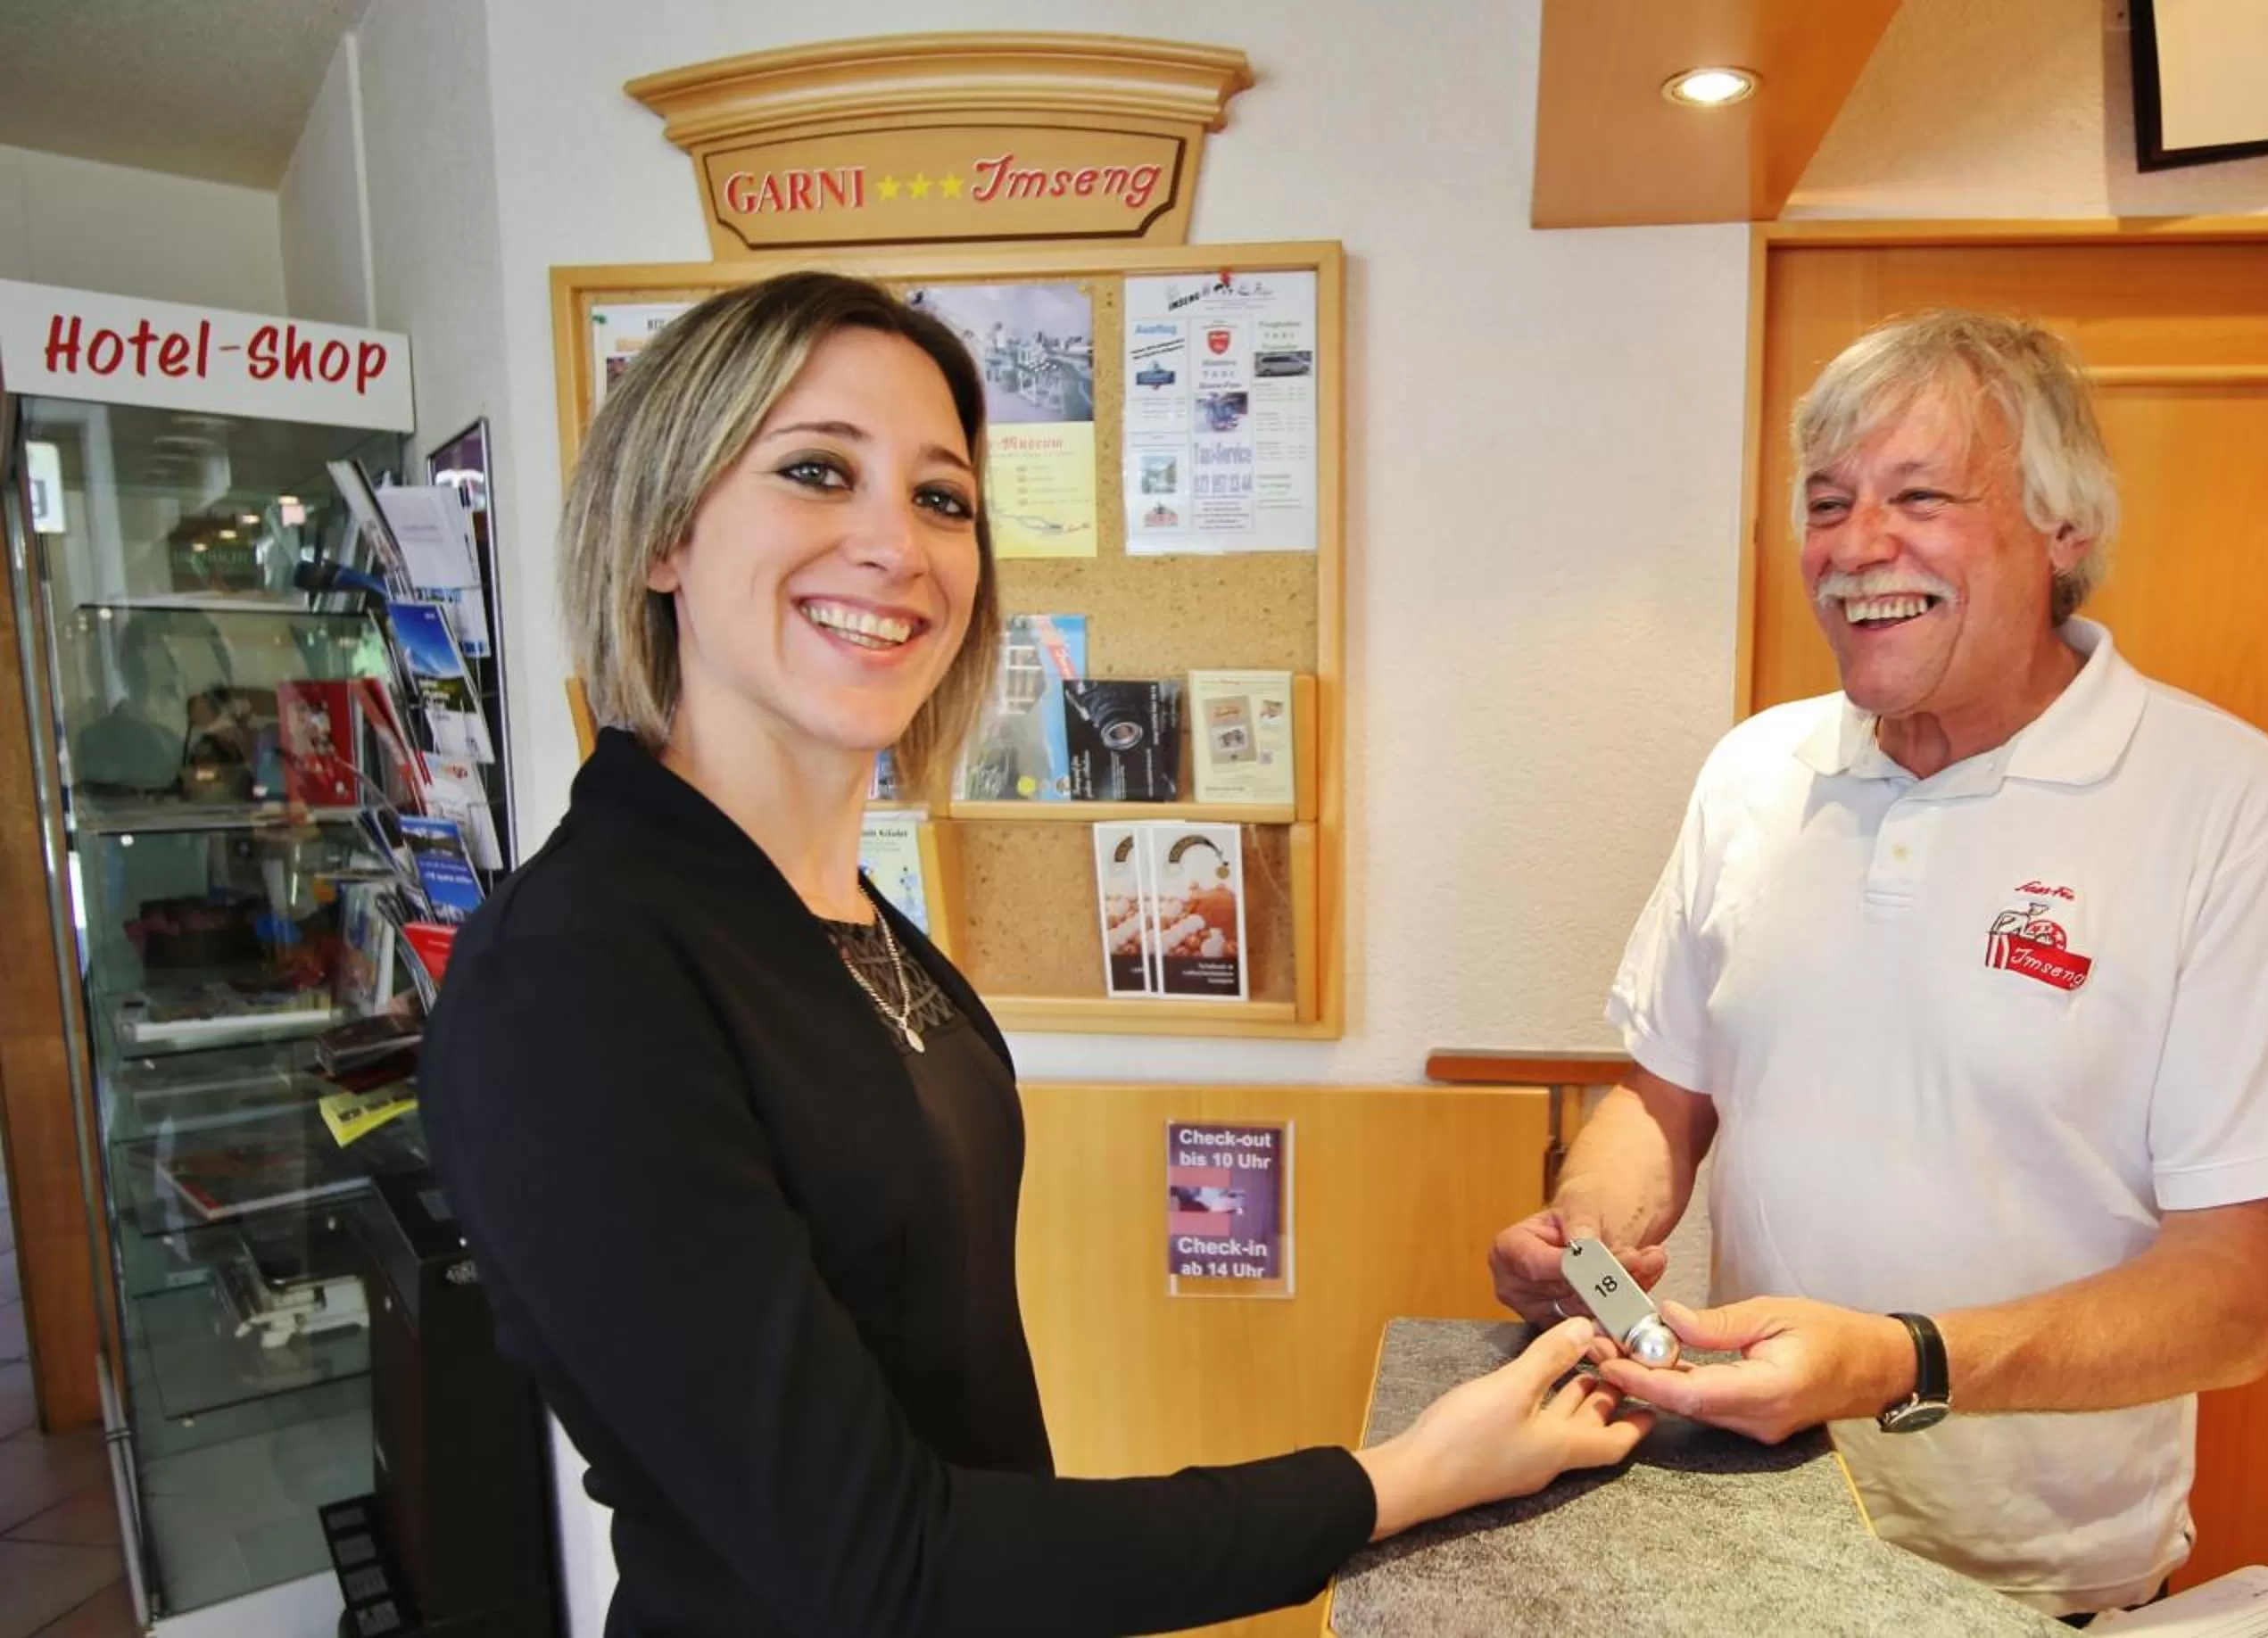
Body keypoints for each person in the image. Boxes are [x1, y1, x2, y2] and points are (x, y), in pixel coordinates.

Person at [422, 271, 1650, 1638]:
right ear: (662, 535)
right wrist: (1395, 1483)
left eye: (942, 497)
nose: (897, 545)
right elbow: (876, 1561)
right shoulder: (577, 974)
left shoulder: (844, 920)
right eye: (819, 471)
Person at [1489, 310, 2268, 1623]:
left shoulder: (2229, 806)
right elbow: (1667, 1089)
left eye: (1920, 497)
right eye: (1829, 501)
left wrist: (1898, 1360)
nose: (1857, 548)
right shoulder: (1756, 772)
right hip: (1746, 1514)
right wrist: (1594, 1228)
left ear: (2062, 531)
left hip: (2036, 1578)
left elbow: (2245, 1296)